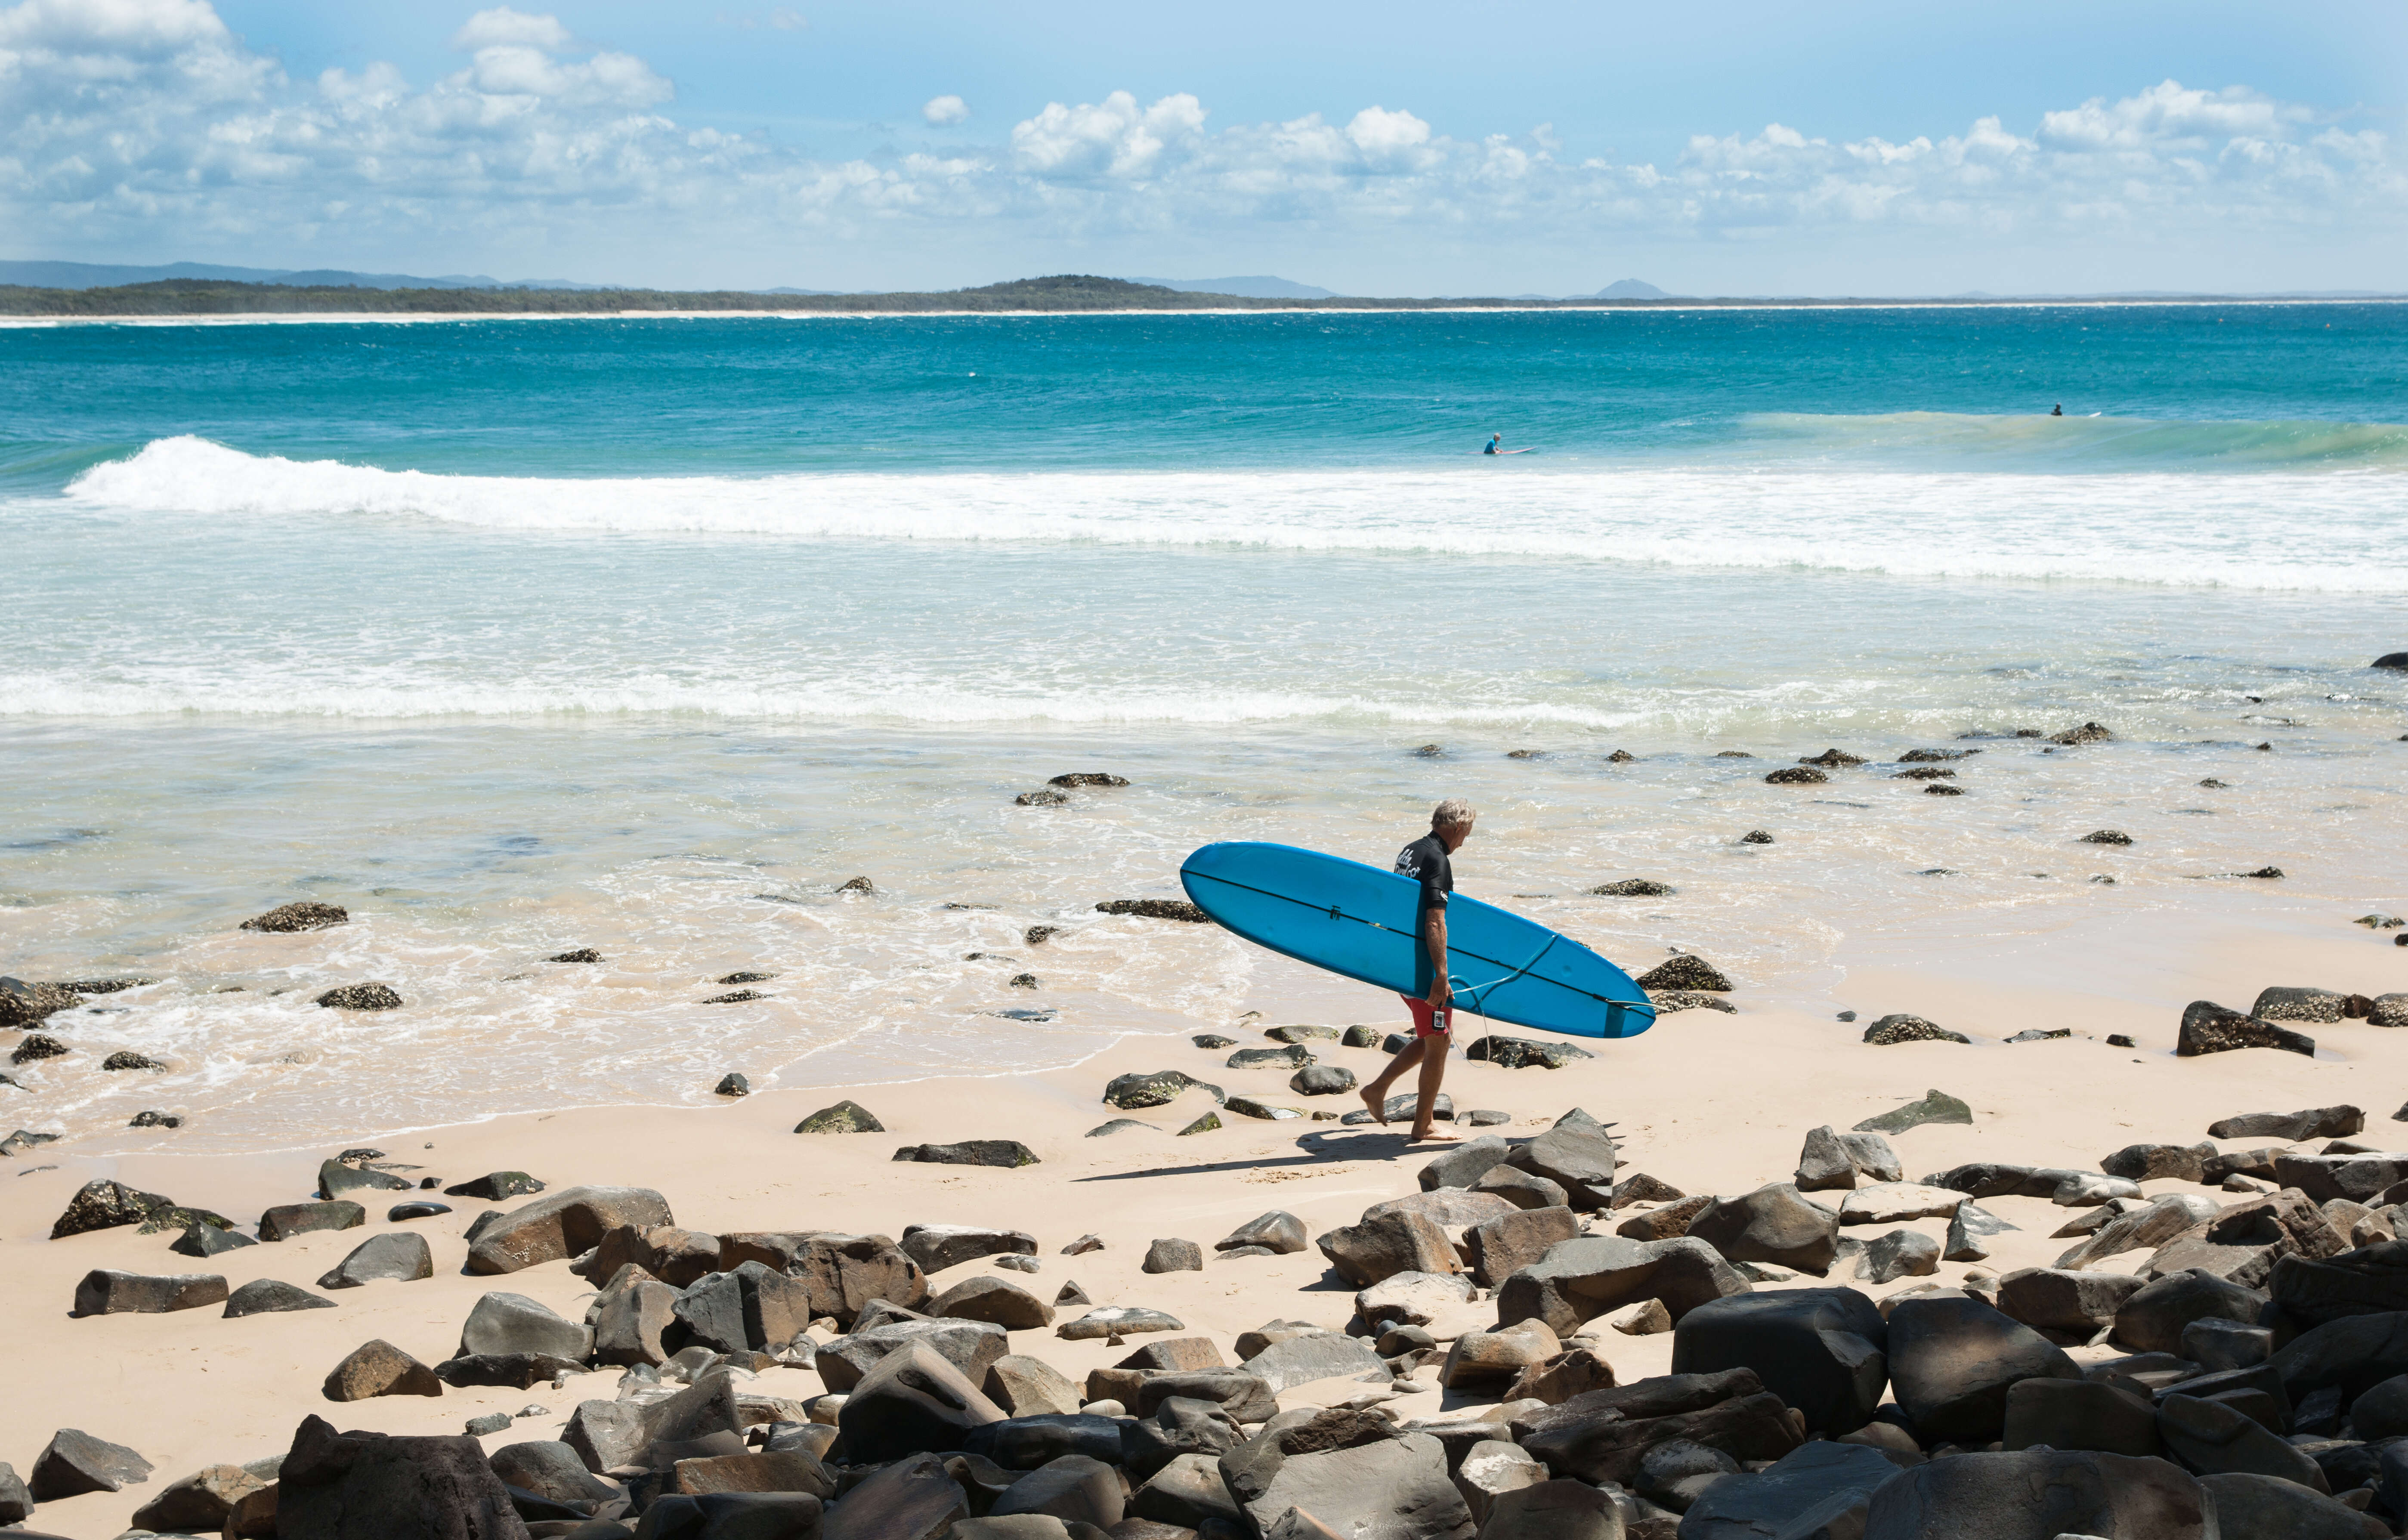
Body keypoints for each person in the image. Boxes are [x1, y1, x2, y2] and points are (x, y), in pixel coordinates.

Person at [1360, 798, 1475, 1141]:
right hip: (1424, 970)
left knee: (1430, 1039)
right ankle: (1422, 1124)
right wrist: (1441, 975)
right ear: (1456, 828)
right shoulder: (1438, 860)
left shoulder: (1412, 851)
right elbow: (1434, 920)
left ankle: (1377, 1089)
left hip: (1403, 964)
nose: (1465, 841)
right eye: (1466, 833)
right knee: (1438, 1043)